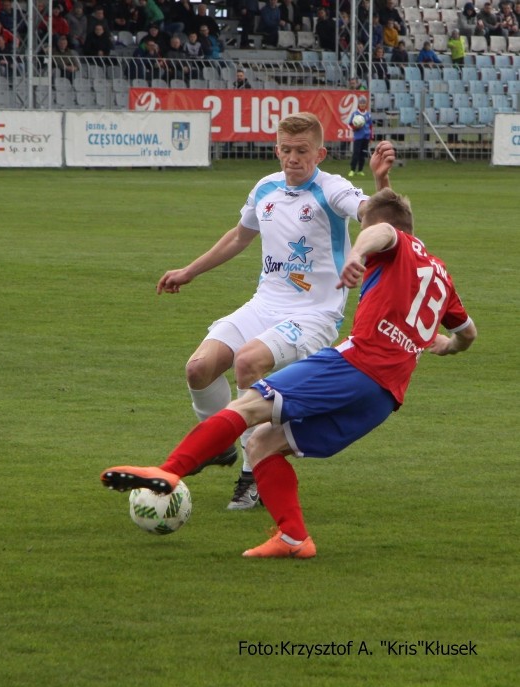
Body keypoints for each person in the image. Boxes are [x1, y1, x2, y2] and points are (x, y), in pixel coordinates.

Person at [100, 188, 477, 558]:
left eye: (361, 226)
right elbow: (468, 333)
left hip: (353, 365)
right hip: (383, 399)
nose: (360, 236)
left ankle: (169, 470)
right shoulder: (441, 275)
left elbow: (384, 232)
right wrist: (446, 345)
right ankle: (294, 538)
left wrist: (358, 253)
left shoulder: (389, 240)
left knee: (248, 405)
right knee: (262, 443)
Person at [149, 113, 394, 511]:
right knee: (198, 368)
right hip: (264, 305)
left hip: (313, 314)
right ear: (276, 149)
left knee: (248, 362)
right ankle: (219, 443)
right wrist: (189, 271)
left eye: (302, 151)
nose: (292, 159)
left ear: (320, 153)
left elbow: (375, 215)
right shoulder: (266, 188)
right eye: (285, 150)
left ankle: (252, 474)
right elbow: (239, 236)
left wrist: (382, 182)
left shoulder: (332, 189)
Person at [348, 95, 372, 177]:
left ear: (366, 104)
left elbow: (371, 126)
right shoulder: (355, 114)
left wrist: (371, 137)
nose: (362, 105)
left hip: (366, 137)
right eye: (361, 103)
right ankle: (352, 170)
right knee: (356, 153)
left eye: (364, 103)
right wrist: (355, 127)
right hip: (358, 137)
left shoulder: (368, 115)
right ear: (358, 104)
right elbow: (350, 124)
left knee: (363, 154)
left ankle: (360, 170)